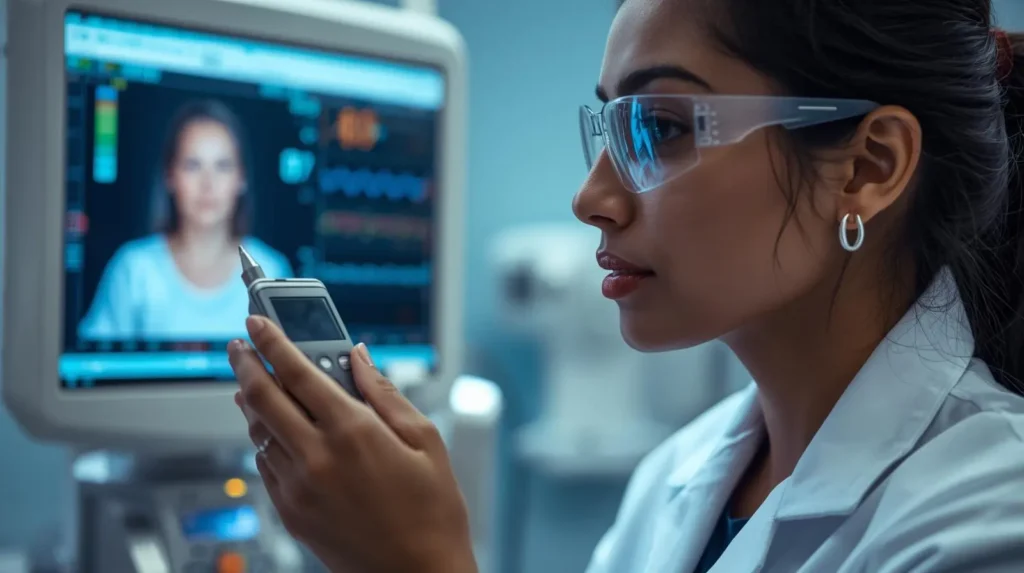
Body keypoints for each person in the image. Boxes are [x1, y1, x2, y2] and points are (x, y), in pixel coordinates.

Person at [227, 0, 1024, 571]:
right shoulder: (677, 478)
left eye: (661, 128)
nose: (590, 199)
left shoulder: (989, 515)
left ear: (867, 166)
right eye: (609, 127)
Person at [79, 100, 293, 341]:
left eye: (222, 166)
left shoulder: (271, 271)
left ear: (241, 178)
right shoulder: (134, 270)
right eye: (192, 165)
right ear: (170, 176)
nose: (208, 184)